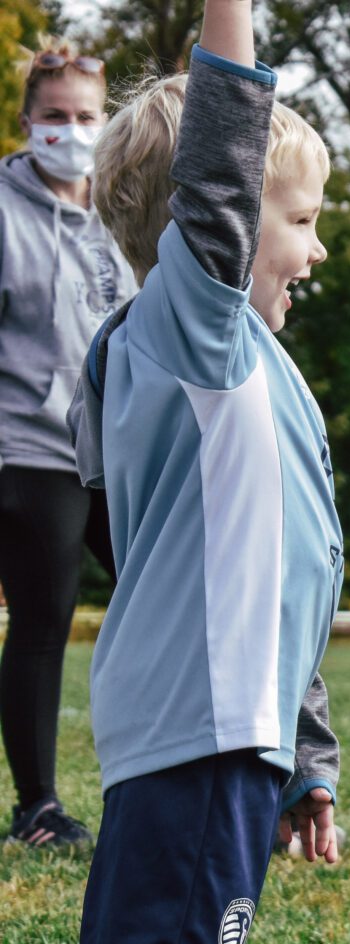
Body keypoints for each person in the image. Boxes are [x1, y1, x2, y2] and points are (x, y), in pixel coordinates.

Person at [20, 1, 344, 944]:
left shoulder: (243, 361)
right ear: (217, 227)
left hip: (228, 730)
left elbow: (283, 575)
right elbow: (219, 163)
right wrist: (234, 16)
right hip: (199, 728)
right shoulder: (193, 334)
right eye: (298, 219)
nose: (317, 249)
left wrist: (307, 756)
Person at [0, 37, 135, 847]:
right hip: (31, 448)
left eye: (86, 115)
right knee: (45, 617)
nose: (71, 130)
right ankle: (39, 807)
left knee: (169, 594)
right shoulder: (5, 208)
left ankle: (183, 775)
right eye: (55, 115)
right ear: (27, 120)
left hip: (118, 450)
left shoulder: (122, 205)